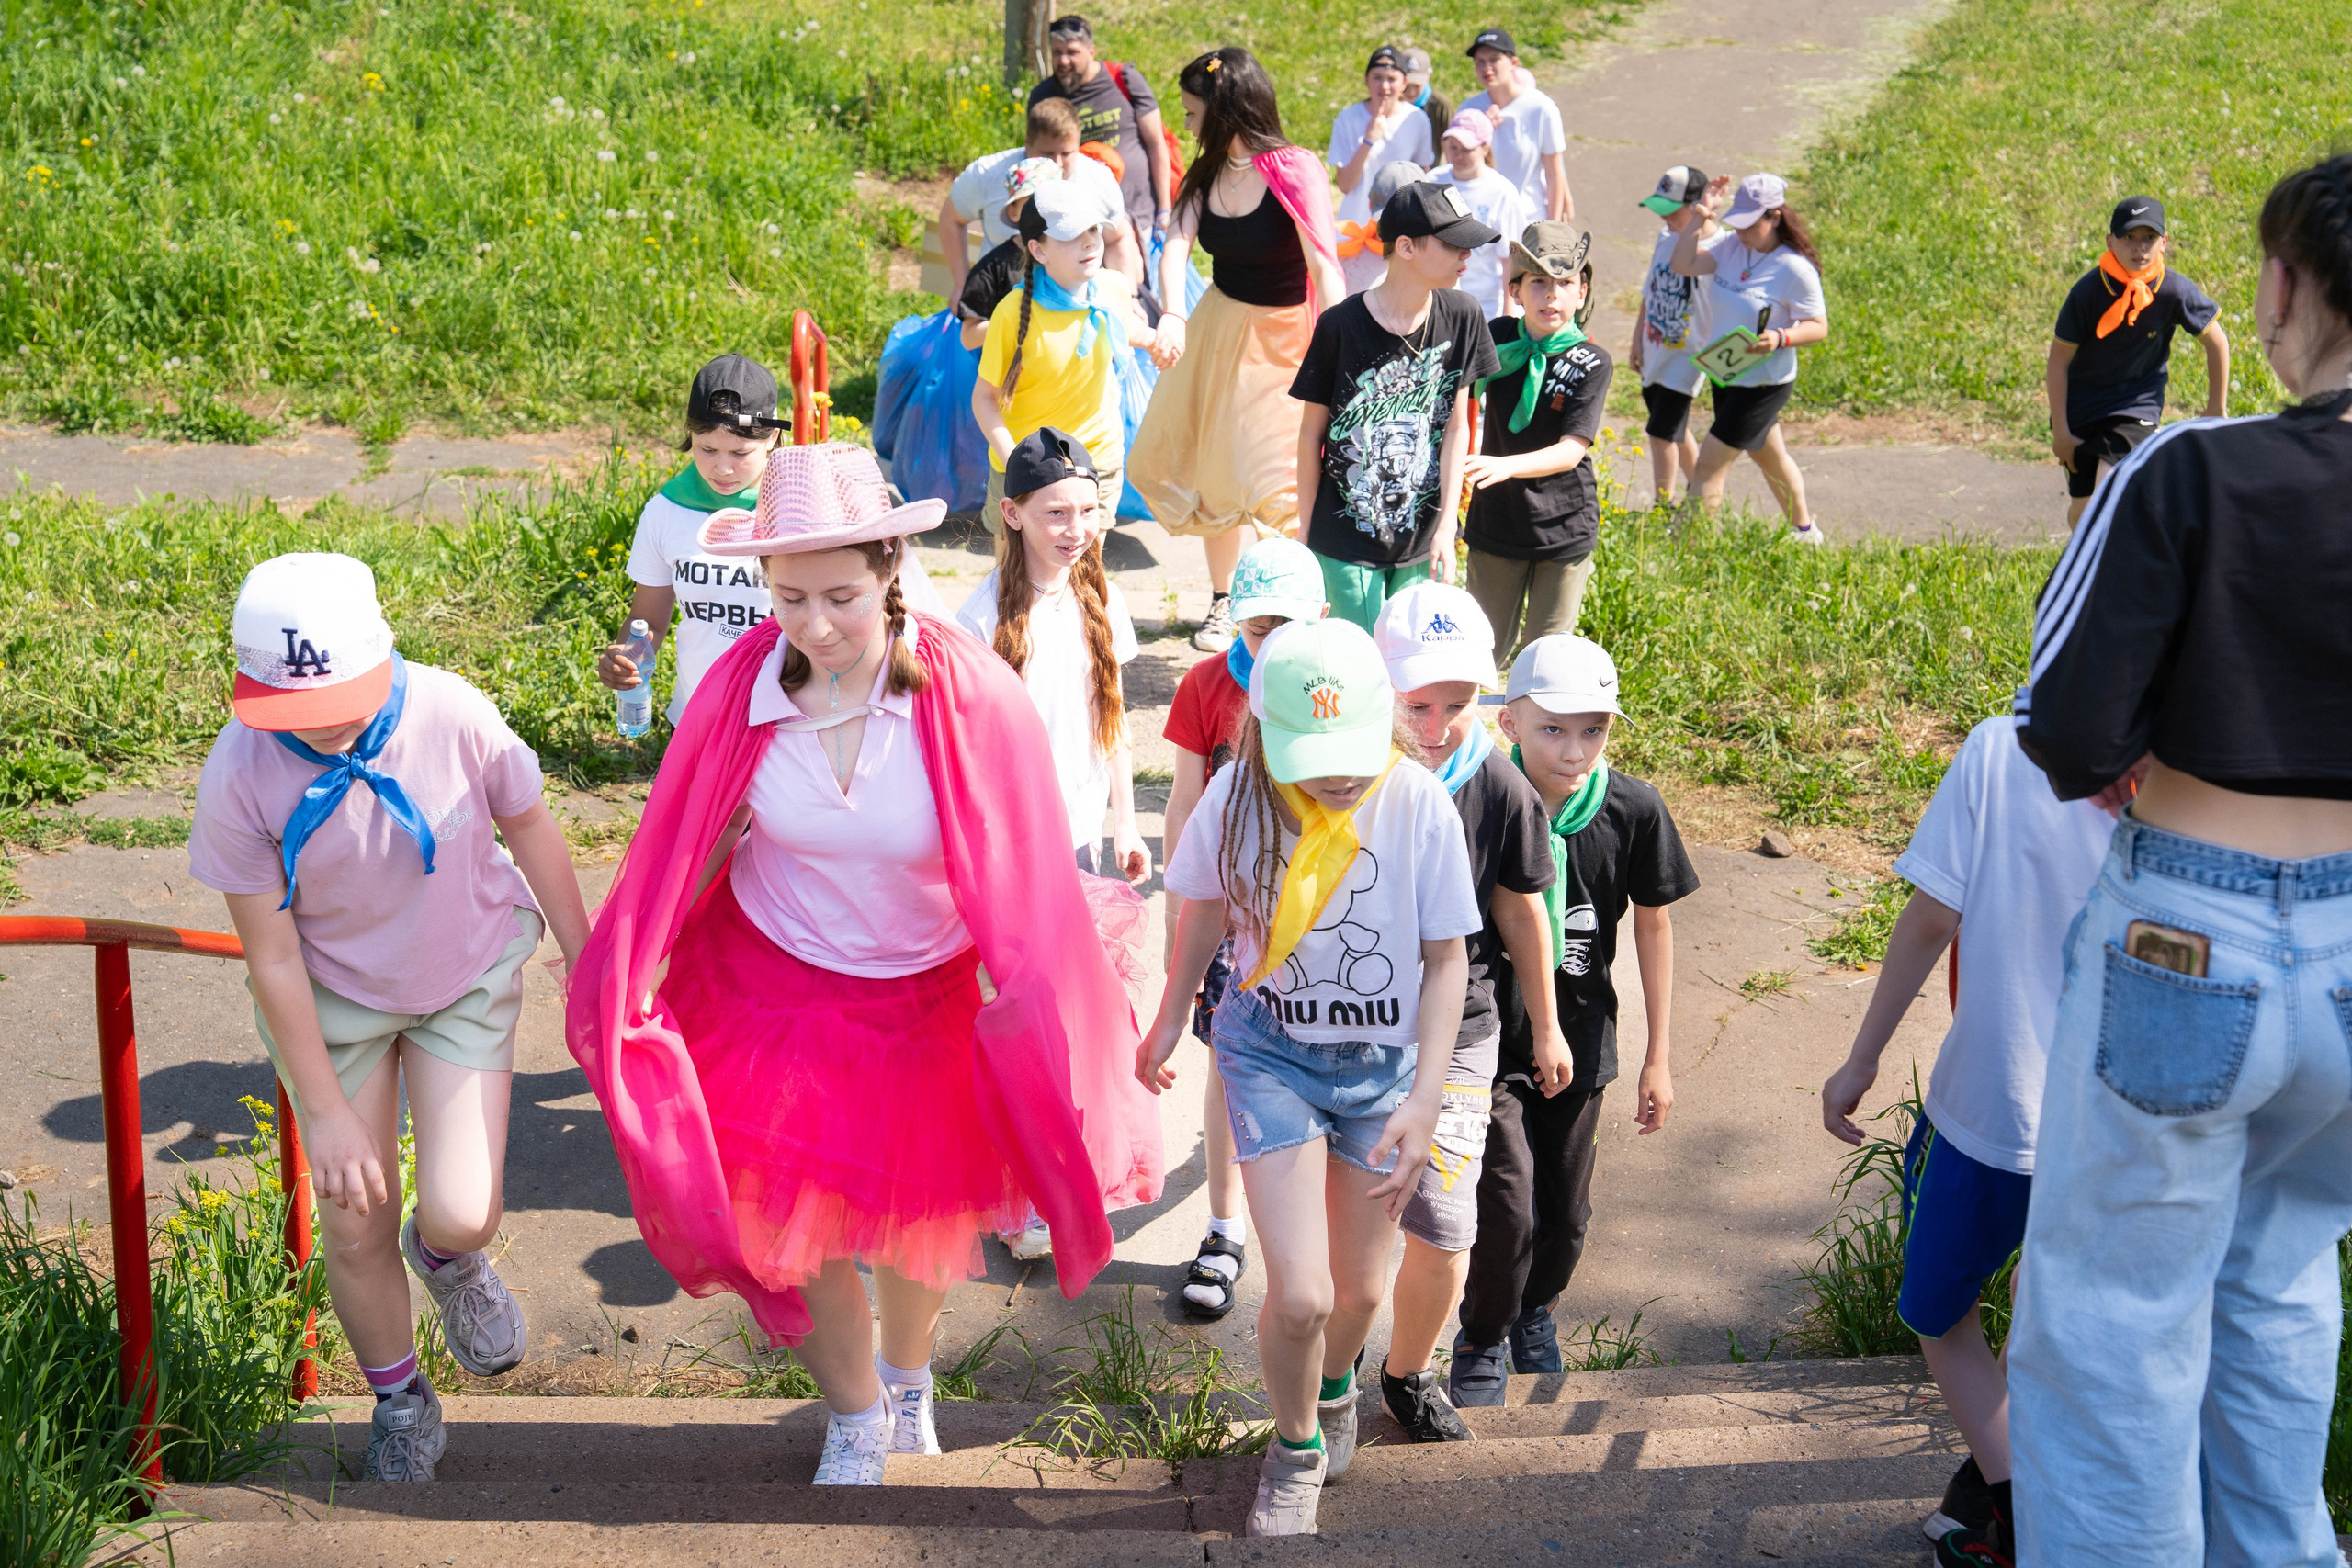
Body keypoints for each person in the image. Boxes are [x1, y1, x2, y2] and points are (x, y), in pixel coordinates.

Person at [566, 443, 1162, 1486]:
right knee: (799, 1221)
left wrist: (1032, 994)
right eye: (789, 597)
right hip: (777, 983)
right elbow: (691, 829)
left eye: (841, 594)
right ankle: (852, 1414)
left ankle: (908, 1376)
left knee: (919, 1216)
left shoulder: (968, 693)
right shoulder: (742, 686)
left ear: (892, 569)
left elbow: (1021, 858)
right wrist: (642, 954)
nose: (816, 625)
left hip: (927, 988)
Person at [1995, 153, 2352, 1568]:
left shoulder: (2190, 466)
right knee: (2280, 1277)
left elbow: (2063, 720)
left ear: (2281, 290)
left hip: (2190, 934)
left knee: (2110, 1318)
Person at [189, 552, 592, 1483]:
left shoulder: (452, 711)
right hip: (336, 1004)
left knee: (464, 1209)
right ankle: (401, 1399)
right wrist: (323, 1109)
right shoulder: (240, 773)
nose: (325, 724)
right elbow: (274, 954)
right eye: (298, 710)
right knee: (355, 1222)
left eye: (344, 698)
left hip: (462, 974)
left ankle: (448, 1263)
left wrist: (584, 947)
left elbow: (528, 820)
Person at [1140, 617, 1478, 1537]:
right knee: (1303, 1296)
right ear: (1261, 734)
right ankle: (1291, 1449)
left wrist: (1424, 1097)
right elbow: (1201, 909)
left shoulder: (1415, 802)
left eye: (1354, 751)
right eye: (1312, 756)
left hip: (1381, 1075)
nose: (1336, 776)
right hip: (1269, 1055)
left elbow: (1445, 959)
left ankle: (1337, 1391)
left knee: (1361, 1294)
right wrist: (1171, 1018)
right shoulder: (1236, 797)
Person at [1817, 716, 2111, 1550]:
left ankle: (2020, 1517)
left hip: (1994, 1110)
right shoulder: (2199, 763)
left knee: (1940, 1317)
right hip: (2121, 1126)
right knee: (2047, 1313)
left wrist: (1862, 1058)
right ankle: (1994, 1481)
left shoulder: (2005, 745)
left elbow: (1930, 917)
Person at [1451, 634, 1695, 1405]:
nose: (1575, 747)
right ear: (1511, 721)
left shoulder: (1633, 810)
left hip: (1583, 1042)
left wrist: (1660, 1055)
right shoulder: (1481, 795)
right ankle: (1482, 1335)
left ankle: (1534, 1311)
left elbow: (1654, 927)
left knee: (1565, 1215)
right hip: (1492, 1038)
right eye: (1552, 727)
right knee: (1508, 1205)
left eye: (1594, 728)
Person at [1369, 583, 1558, 1445]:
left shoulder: (1501, 786)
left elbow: (1522, 911)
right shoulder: (1349, 774)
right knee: (1356, 1236)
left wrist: (1547, 1024)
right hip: (1355, 1030)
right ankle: (1331, 1386)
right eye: (1418, 703)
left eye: (1459, 700)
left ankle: (1406, 1372)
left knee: (1448, 1232)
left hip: (1464, 1034)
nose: (1438, 722)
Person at [1160, 537, 1331, 1320]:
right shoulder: (1204, 685)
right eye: (1257, 629)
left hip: (1320, 927)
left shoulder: (1336, 683)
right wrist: (1179, 940)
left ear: (1322, 620)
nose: (1270, 646)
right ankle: (1225, 1229)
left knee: (1316, 1070)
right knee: (1227, 1068)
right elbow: (1185, 805)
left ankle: (1315, 1236)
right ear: (1233, 622)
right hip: (1231, 919)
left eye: (1287, 627)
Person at [1130, 48, 1342, 655]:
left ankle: (1287, 607)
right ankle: (1225, 602)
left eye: (1194, 113)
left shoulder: (1295, 170)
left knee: (1277, 482)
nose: (1188, 125)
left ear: (1225, 111)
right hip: (1218, 331)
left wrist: (1335, 350)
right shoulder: (1206, 173)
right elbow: (1174, 247)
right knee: (1210, 472)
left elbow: (1325, 269)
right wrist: (1172, 312)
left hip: (1285, 341)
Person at [603, 356, 947, 719]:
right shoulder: (666, 511)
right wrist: (627, 656)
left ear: (772, 437)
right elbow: (648, 622)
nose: (722, 468)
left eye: (740, 453)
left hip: (796, 716)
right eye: (707, 449)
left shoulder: (808, 508)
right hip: (701, 716)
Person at [1292, 181, 1501, 632]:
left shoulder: (1463, 315)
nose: (1468, 256)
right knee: (1357, 663)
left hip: (1424, 537)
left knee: (1414, 670)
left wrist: (1448, 524)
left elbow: (1456, 429)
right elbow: (1311, 436)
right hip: (1343, 538)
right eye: (1453, 245)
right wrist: (1306, 531)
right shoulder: (1340, 327)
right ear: (1405, 246)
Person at [956, 426, 1148, 883]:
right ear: (1012, 513)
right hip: (1008, 837)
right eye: (1056, 513)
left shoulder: (1105, 601)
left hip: (1083, 830)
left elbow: (1111, 718)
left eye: (1088, 511)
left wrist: (1125, 823)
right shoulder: (982, 617)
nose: (1077, 529)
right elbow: (969, 746)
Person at [1464, 222, 1611, 656]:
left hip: (1562, 527)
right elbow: (1453, 397)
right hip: (1496, 520)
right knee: (1482, 649)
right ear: (1515, 290)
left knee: (1546, 657)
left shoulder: (1592, 361)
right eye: (1539, 283)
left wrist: (1504, 465)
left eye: (1565, 283)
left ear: (1581, 293)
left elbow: (1571, 451)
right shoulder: (1497, 336)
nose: (1551, 295)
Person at [971, 183, 1153, 530]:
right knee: (1018, 581)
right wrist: (1016, 465)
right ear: (1039, 250)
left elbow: (1125, 329)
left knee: (1086, 579)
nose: (1089, 242)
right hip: (1027, 470)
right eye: (1071, 235)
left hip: (1097, 461)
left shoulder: (1113, 288)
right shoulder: (1011, 313)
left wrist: (1158, 341)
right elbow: (983, 398)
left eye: (1094, 229)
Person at [2046, 196, 2229, 528]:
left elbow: (2217, 342)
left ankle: (2113, 572)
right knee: (2082, 511)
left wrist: (2215, 407)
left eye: (2149, 237)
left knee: (2108, 493)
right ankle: (2083, 565)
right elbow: (2058, 362)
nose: (2139, 247)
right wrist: (2061, 431)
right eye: (2129, 237)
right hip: (2082, 409)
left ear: (2164, 242)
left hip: (2136, 406)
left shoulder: (2173, 291)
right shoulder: (2088, 293)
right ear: (2110, 241)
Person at [1669, 173, 1830, 543]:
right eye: (1736, 222)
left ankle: (1688, 549)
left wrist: (1779, 337)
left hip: (1763, 383)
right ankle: (1805, 533)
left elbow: (1818, 326)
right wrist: (1700, 215)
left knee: (1708, 465)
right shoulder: (1730, 248)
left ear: (1774, 218)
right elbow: (1682, 264)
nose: (1741, 231)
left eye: (1750, 224)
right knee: (1769, 456)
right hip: (1726, 373)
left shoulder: (1794, 268)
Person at [941, 98, 1136, 298]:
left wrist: (1129, 298)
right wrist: (961, 285)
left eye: (1067, 153)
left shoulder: (1098, 179)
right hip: (1000, 296)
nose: (1058, 163)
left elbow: (1118, 238)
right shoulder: (987, 174)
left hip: (1076, 303)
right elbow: (951, 219)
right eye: (1048, 153)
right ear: (1028, 142)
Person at [1031, 15, 1175, 264]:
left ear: (1091, 51)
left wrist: (1165, 209)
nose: (1063, 61)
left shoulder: (1123, 79)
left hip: (1142, 217)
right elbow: (1034, 154)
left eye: (1072, 52)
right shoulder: (1043, 96)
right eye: (1056, 52)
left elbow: (1156, 144)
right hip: (1080, 228)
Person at [1630, 165, 1716, 504]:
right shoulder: (1665, 238)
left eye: (1672, 210)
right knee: (1674, 431)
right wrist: (1637, 337)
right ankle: (1703, 498)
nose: (1664, 218)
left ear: (1698, 207)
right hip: (1656, 347)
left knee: (1660, 433)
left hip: (1688, 354)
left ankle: (1662, 508)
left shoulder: (1719, 247)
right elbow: (1649, 291)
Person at [1329, 46, 1436, 296]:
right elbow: (1344, 184)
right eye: (1377, 78)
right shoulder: (1348, 118)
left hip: (1400, 232)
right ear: (1367, 80)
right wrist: (1368, 140)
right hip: (1356, 233)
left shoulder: (1417, 120)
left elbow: (1423, 181)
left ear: (1404, 83)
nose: (1384, 86)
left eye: (1391, 79)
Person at [1430, 109, 1532, 322]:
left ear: (1485, 148)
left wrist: (1508, 313)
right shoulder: (1432, 181)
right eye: (1452, 147)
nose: (1458, 155)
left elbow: (1510, 259)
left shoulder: (1501, 191)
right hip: (1436, 301)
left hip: (1484, 307)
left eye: (1467, 149)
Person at [1460, 29, 1570, 222]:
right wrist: (1482, 131)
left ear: (1513, 63)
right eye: (1480, 61)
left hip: (1528, 219)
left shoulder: (1541, 108)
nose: (1487, 68)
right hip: (1482, 221)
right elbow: (1459, 167)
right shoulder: (1469, 111)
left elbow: (1554, 174)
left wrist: (1552, 228)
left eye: (1494, 59)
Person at [1396, 47, 1453, 154]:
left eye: (1417, 86)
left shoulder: (1440, 104)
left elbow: (1450, 140)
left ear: (1429, 76)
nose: (1411, 92)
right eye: (1407, 85)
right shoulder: (1390, 103)